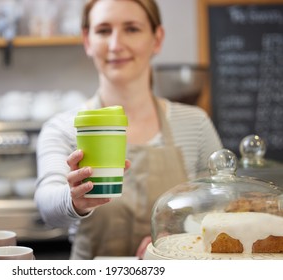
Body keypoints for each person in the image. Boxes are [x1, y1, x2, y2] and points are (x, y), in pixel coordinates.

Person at [34, 0, 222, 260]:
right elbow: (46, 206)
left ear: (157, 39)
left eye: (131, 29)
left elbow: (220, 207)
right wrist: (74, 200)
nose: (115, 44)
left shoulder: (196, 124)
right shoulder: (64, 128)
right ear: (87, 40)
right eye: (103, 30)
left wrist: (176, 235)